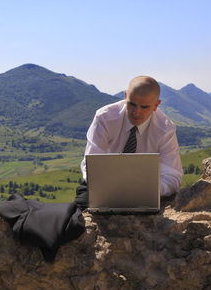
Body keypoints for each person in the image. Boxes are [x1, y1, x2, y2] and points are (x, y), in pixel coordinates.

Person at [76, 76, 183, 206]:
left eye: (144, 107)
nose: (136, 112)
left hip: (146, 189)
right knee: (78, 215)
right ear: (125, 96)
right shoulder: (104, 118)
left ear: (156, 105)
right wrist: (108, 188)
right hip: (104, 185)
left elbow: (173, 176)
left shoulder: (165, 129)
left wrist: (144, 190)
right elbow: (90, 164)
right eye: (131, 104)